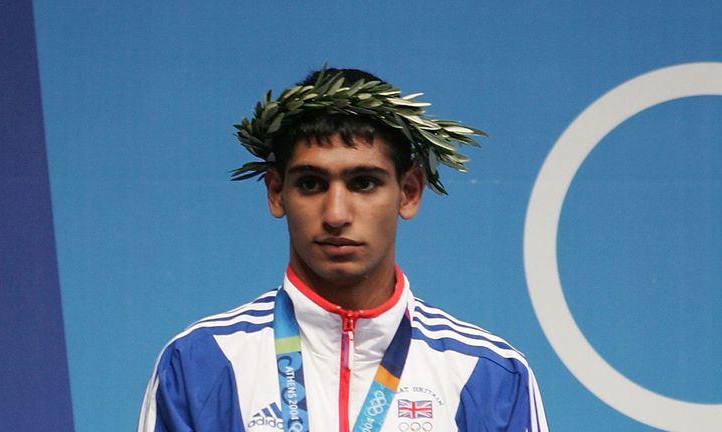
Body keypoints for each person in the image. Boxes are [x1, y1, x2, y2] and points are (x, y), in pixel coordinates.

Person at [138, 67, 548, 432]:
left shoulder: (489, 376)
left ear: (408, 192)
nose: (336, 214)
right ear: (276, 193)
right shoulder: (200, 365)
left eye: (364, 183)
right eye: (312, 183)